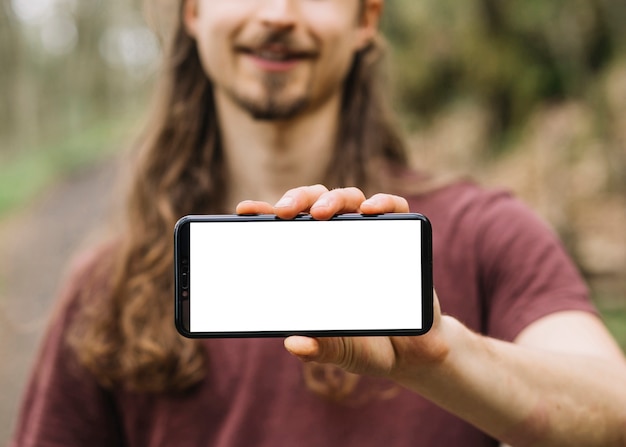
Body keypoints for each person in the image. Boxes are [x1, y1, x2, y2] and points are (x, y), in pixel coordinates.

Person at [10, 0, 626, 446]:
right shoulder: (104, 287)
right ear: (192, 12)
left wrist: (442, 359)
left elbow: (613, 411)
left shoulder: (488, 232)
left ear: (366, 19)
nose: (278, 13)